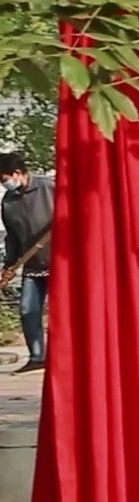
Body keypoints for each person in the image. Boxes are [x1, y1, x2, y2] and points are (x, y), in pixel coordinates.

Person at [0, 154, 52, 374]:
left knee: (63, 312)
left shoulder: (49, 187)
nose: (4, 184)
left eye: (4, 179)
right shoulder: (8, 203)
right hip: (32, 265)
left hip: (60, 263)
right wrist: (9, 265)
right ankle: (37, 356)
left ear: (18, 173)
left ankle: (66, 356)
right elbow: (12, 238)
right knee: (27, 309)